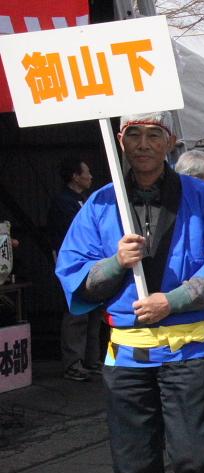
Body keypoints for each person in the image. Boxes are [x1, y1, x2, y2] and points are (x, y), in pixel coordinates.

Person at [55, 111, 204, 473]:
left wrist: (173, 301)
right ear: (121, 142)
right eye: (134, 135)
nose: (143, 144)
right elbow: (77, 280)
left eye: (152, 135)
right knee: (134, 472)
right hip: (125, 360)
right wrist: (115, 263)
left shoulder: (203, 197)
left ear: (169, 141)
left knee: (198, 458)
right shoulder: (101, 202)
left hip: (190, 355)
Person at [48, 157, 104, 382]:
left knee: (93, 312)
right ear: (75, 176)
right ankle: (73, 363)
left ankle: (91, 360)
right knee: (75, 314)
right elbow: (58, 238)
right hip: (75, 265)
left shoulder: (85, 200)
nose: (90, 176)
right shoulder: (63, 202)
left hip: (93, 263)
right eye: (86, 172)